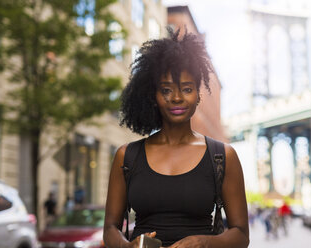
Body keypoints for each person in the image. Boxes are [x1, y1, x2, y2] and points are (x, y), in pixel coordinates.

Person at [103, 29, 249, 248]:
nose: (177, 98)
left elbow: (241, 235)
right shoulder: (127, 156)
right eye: (166, 90)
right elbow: (110, 229)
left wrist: (204, 242)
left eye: (187, 89)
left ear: (198, 95)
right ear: (154, 96)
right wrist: (128, 246)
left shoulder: (221, 156)